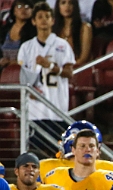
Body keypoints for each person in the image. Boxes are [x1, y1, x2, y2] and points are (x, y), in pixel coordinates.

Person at [18, 2, 75, 144]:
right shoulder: (26, 47)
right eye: (40, 17)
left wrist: (51, 66)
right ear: (33, 21)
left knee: (57, 148)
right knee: (35, 147)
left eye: (47, 16)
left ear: (53, 20)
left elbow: (69, 73)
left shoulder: (62, 45)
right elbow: (23, 77)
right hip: (34, 108)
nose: (44, 19)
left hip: (57, 105)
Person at [39, 120, 113, 179]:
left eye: (91, 145)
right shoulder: (110, 168)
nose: (87, 149)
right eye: (82, 145)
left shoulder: (45, 166)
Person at [53, 0, 92, 66]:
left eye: (70, 3)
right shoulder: (53, 29)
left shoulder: (85, 28)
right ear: (58, 6)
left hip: (77, 69)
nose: (67, 6)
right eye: (63, 3)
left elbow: (83, 58)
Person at [0, 0, 36, 68]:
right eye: (19, 6)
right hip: (5, 71)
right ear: (14, 11)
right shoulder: (5, 29)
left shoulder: (35, 30)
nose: (23, 9)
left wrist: (18, 62)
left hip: (25, 70)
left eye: (27, 6)